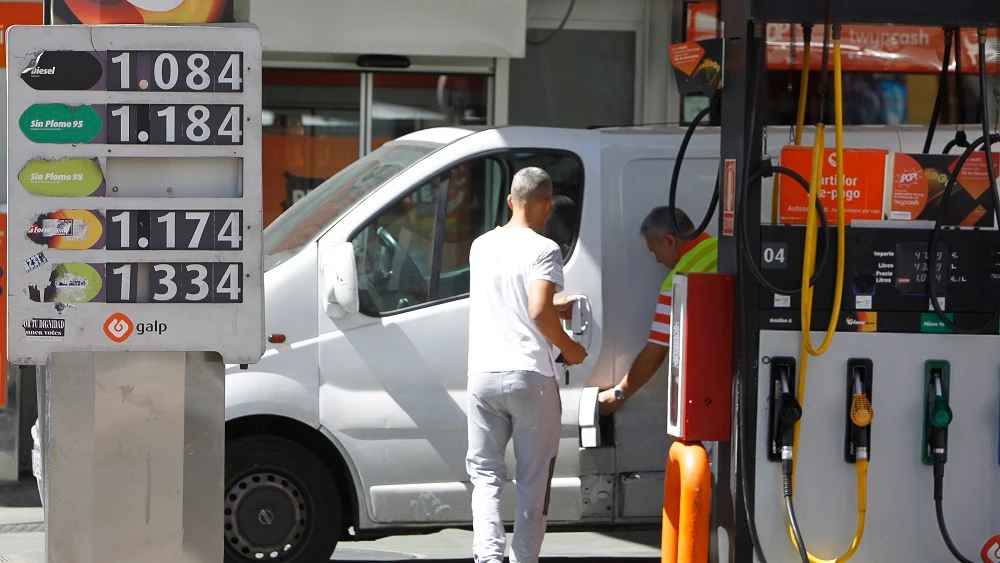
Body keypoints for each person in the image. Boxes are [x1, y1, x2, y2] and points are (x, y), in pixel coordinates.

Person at [465, 166, 588, 563]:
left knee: (485, 476)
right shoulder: (545, 249)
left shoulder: (480, 246)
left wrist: (555, 306)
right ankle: (524, 559)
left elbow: (509, 299)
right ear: (547, 204)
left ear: (509, 200)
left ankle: (487, 558)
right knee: (533, 480)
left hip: (482, 374)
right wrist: (569, 347)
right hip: (529, 374)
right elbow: (535, 311)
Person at [597, 206, 718, 415]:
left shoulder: (678, 281)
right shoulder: (723, 248)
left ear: (670, 241)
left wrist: (620, 393)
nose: (657, 260)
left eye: (654, 251)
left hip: (709, 393)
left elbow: (655, 353)